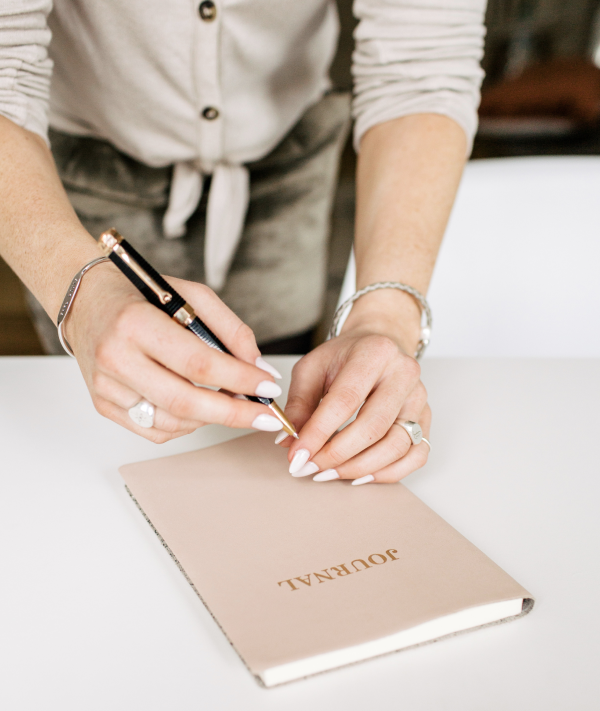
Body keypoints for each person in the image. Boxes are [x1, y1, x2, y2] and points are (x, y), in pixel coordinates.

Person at [0, 0, 486, 484]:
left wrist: (384, 320)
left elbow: (423, 66)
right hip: (70, 167)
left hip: (285, 158)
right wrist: (81, 295)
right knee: (110, 410)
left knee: (281, 367)